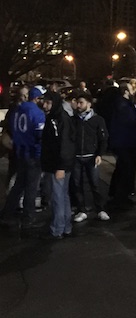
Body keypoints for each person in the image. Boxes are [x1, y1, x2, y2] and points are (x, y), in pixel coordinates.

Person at [0, 86, 45, 229]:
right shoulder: (37, 113)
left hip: (19, 152)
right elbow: (40, 136)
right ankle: (28, 217)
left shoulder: (17, 110)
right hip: (33, 153)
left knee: (19, 184)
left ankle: (7, 213)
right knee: (31, 186)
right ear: (37, 98)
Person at [39, 91, 75, 240]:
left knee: (57, 197)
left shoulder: (58, 120)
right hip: (59, 164)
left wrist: (61, 166)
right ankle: (65, 227)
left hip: (58, 165)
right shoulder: (57, 118)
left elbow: (65, 144)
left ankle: (57, 229)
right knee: (63, 196)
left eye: (48, 103)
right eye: (44, 102)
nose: (45, 105)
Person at [70, 90, 110, 223]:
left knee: (95, 183)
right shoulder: (73, 120)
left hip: (91, 156)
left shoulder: (97, 120)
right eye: (77, 102)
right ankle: (81, 210)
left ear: (89, 104)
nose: (78, 105)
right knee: (77, 184)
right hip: (76, 156)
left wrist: (99, 154)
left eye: (81, 103)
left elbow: (103, 138)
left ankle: (100, 209)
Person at [107, 82, 136, 209]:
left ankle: (117, 194)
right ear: (126, 91)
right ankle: (120, 197)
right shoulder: (123, 105)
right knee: (125, 169)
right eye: (131, 89)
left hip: (124, 141)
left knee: (122, 168)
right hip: (125, 142)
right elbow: (129, 121)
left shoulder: (122, 104)